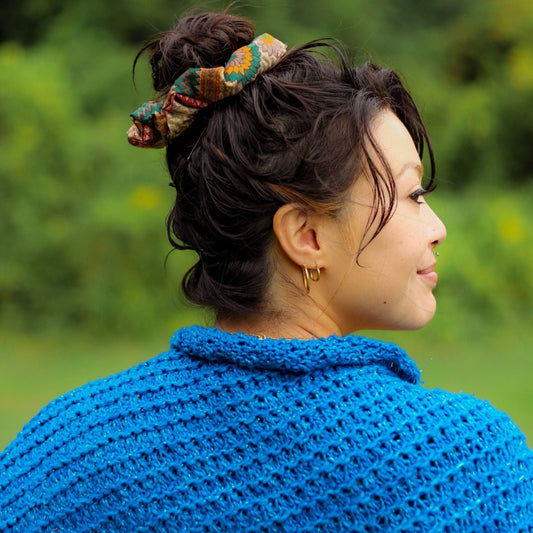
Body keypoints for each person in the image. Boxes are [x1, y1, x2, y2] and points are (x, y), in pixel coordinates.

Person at [1, 10, 532, 532]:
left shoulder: (67, 445)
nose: (437, 227)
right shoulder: (465, 462)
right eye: (412, 194)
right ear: (306, 236)